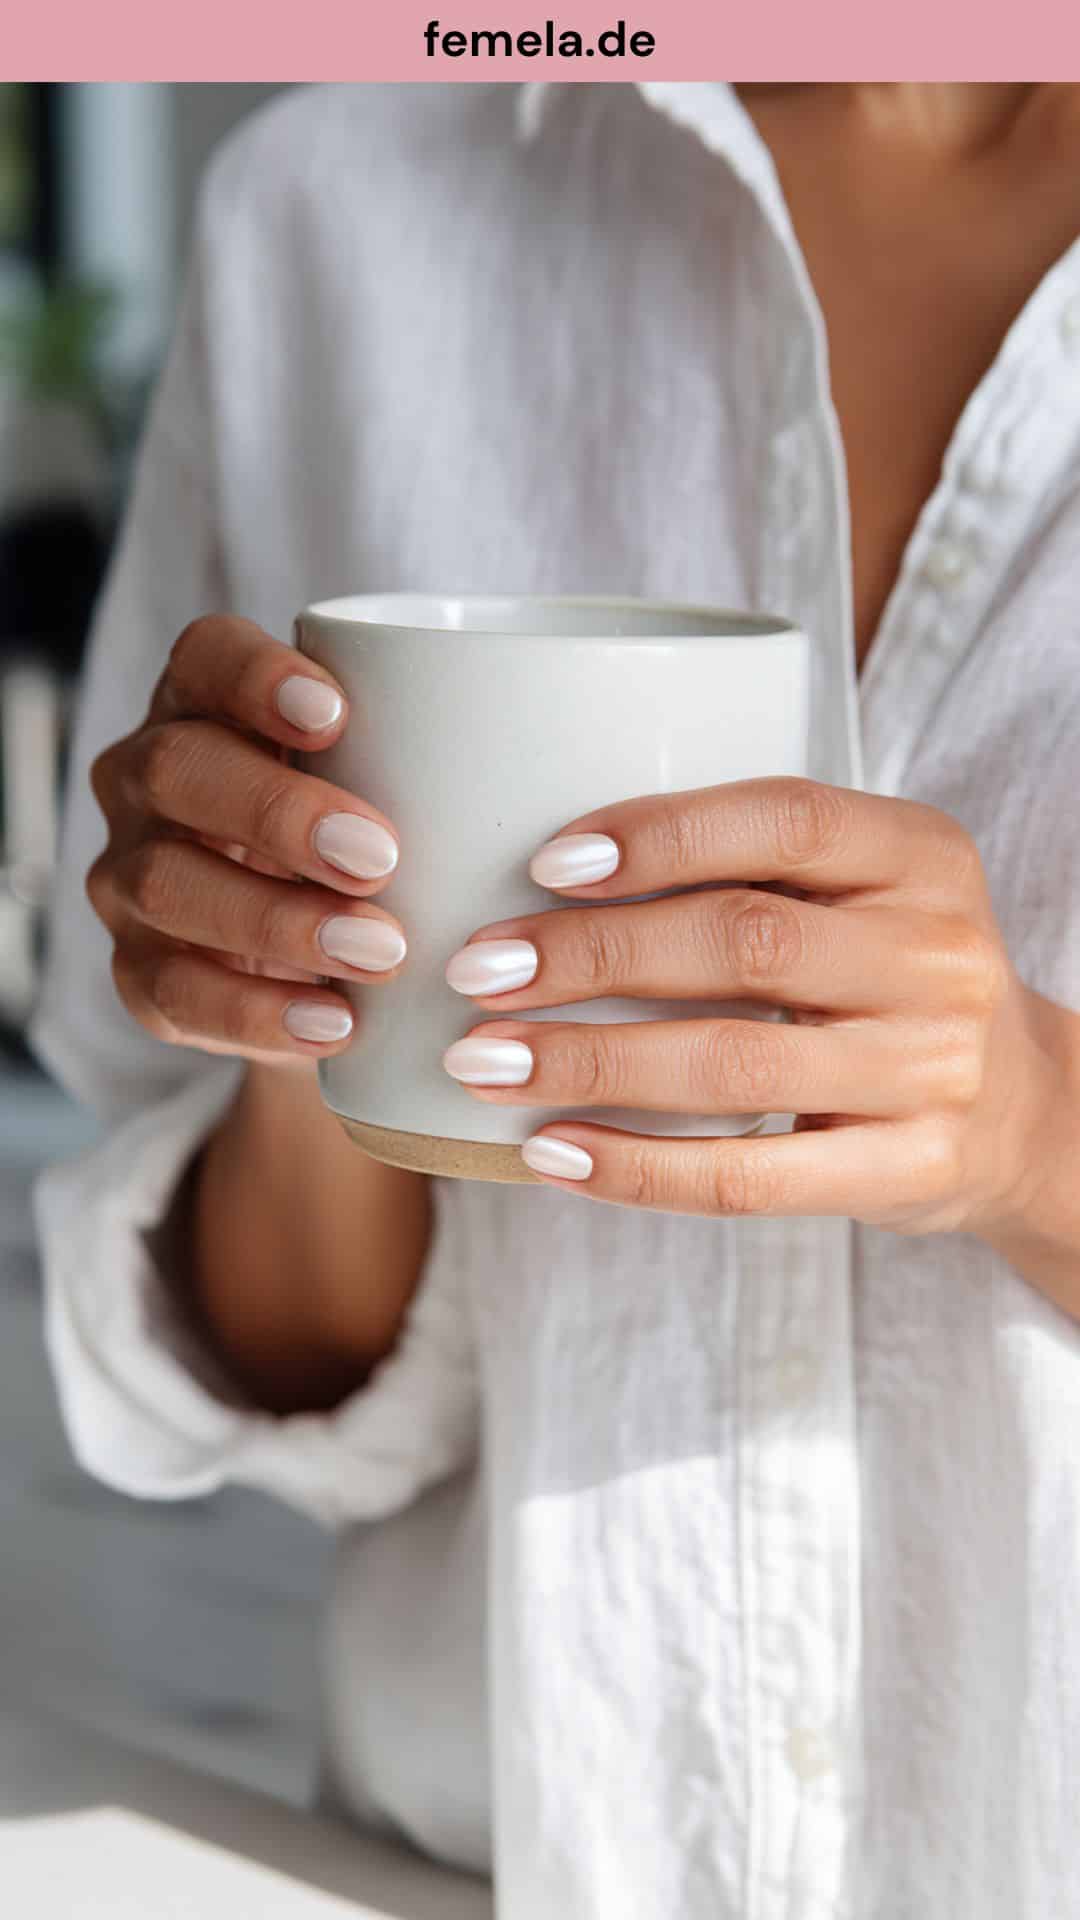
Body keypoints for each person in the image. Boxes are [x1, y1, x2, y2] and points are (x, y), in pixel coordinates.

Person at [33, 81, 1080, 1918]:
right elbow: (291, 1357)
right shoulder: (335, 201)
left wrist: (1034, 1132)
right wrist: (305, 994)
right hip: (476, 1864)